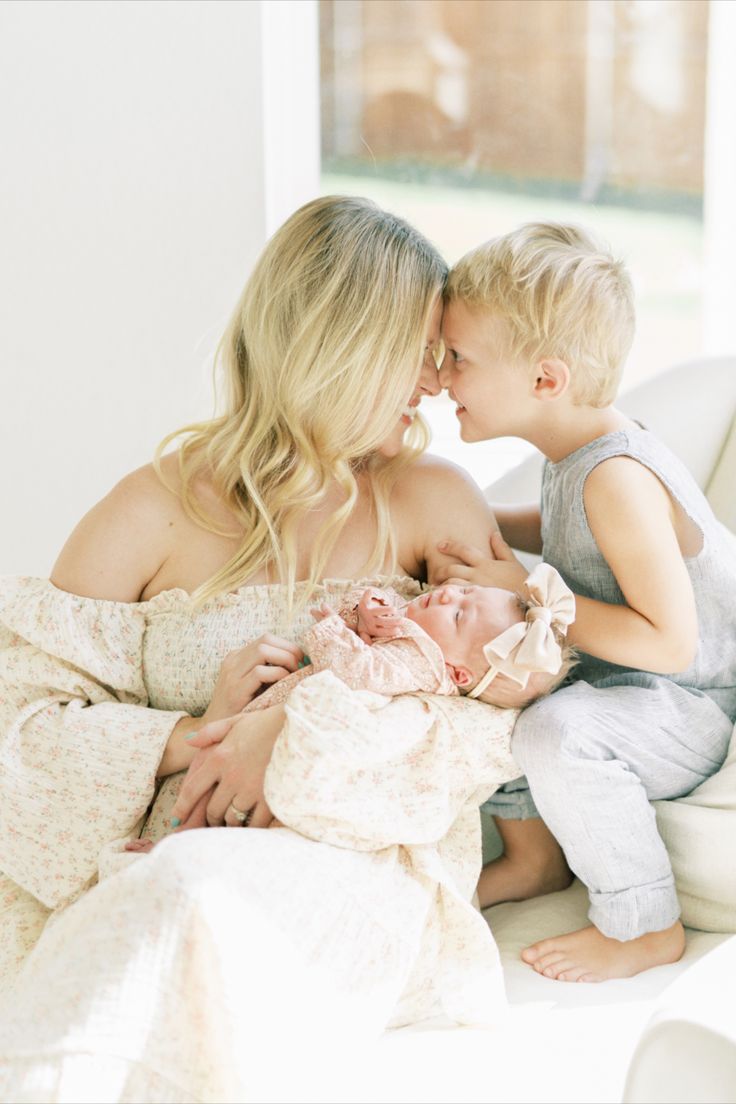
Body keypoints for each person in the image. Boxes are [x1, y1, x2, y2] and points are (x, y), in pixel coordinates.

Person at [0, 196, 524, 1097]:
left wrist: (289, 737)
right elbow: (18, 729)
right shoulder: (149, 509)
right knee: (163, 898)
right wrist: (195, 735)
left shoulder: (433, 503)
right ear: (343, 348)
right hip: (150, 864)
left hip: (351, 876)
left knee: (195, 896)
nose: (437, 384)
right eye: (421, 353)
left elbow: (484, 727)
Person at [435, 220, 736, 982]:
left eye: (459, 357)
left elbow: (671, 644)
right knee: (491, 685)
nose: (441, 375)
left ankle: (643, 923)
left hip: (689, 700)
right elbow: (575, 533)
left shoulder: (615, 477)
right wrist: (478, 522)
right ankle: (535, 864)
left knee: (554, 730)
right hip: (634, 681)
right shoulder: (578, 454)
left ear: (545, 381)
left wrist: (527, 592)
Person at [126, 568, 576, 849]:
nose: (448, 597)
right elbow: (369, 641)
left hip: (294, 743)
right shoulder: (415, 635)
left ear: (457, 675)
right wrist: (362, 614)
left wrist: (332, 630)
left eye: (459, 615)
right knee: (212, 785)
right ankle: (177, 842)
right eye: (465, 592)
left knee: (220, 799)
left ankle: (179, 844)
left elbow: (359, 673)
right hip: (268, 721)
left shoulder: (422, 663)